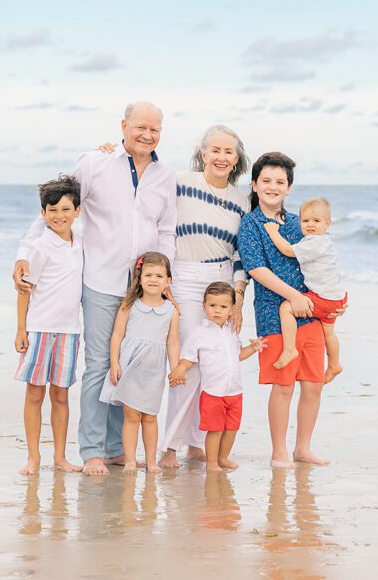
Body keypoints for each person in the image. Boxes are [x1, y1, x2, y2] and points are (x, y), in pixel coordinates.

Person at [13, 101, 176, 476]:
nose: (147, 135)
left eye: (154, 129)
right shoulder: (95, 163)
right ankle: (92, 450)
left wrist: (165, 281)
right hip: (101, 280)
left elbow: (167, 229)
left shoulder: (166, 175)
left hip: (143, 289)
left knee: (131, 366)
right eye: (140, 127)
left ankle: (120, 447)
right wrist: (24, 254)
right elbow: (56, 208)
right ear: (124, 125)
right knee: (100, 364)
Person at [105, 125, 251, 468]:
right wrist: (112, 154)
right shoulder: (181, 182)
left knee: (215, 363)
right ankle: (169, 446)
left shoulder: (242, 201)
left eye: (228, 151)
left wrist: (240, 298)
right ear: (203, 154)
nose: (221, 157)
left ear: (237, 159)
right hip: (184, 277)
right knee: (188, 364)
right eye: (215, 150)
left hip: (223, 284)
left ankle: (198, 444)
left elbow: (239, 254)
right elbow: (147, 207)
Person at [237, 152, 343, 469]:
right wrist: (292, 296)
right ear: (255, 185)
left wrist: (336, 299)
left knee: (312, 384)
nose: (273, 186)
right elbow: (256, 269)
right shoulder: (251, 224)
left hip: (312, 310)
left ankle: (303, 448)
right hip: (274, 314)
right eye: (266, 180)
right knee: (283, 385)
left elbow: (324, 262)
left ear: (288, 188)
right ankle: (279, 451)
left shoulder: (301, 223)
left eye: (280, 182)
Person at [13, 175, 84, 476]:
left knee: (61, 395)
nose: (59, 216)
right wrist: (21, 329)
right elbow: (24, 290)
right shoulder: (39, 248)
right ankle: (33, 457)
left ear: (77, 211)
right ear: (42, 214)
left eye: (66, 210)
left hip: (70, 331)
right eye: (52, 210)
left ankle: (60, 456)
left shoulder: (81, 243)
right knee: (34, 394)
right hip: (40, 328)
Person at [168, 282, 265, 472]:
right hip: (213, 392)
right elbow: (189, 358)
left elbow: (237, 355)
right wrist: (179, 370)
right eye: (212, 306)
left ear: (231, 309)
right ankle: (212, 462)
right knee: (215, 429)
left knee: (232, 428)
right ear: (204, 306)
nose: (217, 311)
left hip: (235, 391)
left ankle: (223, 457)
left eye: (223, 307)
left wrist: (253, 349)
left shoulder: (230, 331)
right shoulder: (199, 334)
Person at [100, 252, 181, 473]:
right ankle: (130, 460)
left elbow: (172, 344)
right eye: (148, 275)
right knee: (132, 416)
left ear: (168, 281)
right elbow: (117, 335)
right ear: (140, 277)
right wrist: (114, 363)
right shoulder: (129, 305)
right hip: (130, 368)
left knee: (150, 417)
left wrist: (175, 369)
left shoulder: (171, 311)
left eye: (158, 275)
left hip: (153, 370)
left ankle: (152, 461)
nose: (153, 279)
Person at [263, 197, 346, 383]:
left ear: (328, 223)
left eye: (316, 221)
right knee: (329, 333)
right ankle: (334, 364)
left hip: (323, 297)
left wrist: (273, 231)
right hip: (335, 297)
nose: (310, 225)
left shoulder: (315, 243)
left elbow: (287, 250)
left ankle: (290, 348)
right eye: (305, 221)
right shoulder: (325, 241)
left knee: (286, 307)